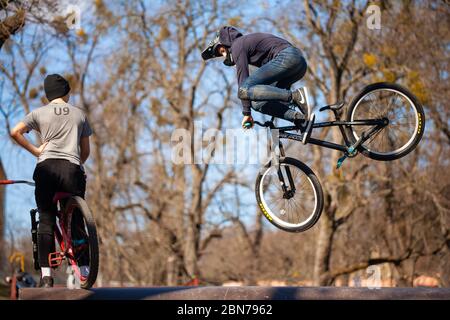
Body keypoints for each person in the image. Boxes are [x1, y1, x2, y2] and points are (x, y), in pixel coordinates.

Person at [10, 74, 92, 288]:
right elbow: (86, 151)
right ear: (66, 92)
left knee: (46, 220)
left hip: (46, 168)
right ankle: (84, 270)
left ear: (47, 95)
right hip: (72, 170)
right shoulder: (80, 115)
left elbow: (15, 131)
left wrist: (36, 151)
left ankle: (46, 276)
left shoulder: (38, 113)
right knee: (75, 220)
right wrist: (76, 164)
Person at [202, 26, 315, 144]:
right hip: (298, 64)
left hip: (288, 57)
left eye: (222, 51)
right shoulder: (246, 46)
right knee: (257, 103)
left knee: (244, 90)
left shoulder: (237, 45)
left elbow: (243, 83)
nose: (224, 56)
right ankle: (299, 120)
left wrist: (246, 113)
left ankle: (296, 96)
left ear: (225, 43)